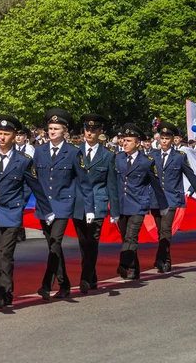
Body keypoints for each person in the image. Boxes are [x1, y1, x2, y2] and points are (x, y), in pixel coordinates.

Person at [0, 116, 54, 309]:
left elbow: (36, 186)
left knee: (6, 253)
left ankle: (0, 293)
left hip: (11, 212)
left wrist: (47, 210)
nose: (2, 137)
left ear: (14, 135)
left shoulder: (23, 161)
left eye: (6, 134)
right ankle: (7, 292)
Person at [34, 108, 94, 300]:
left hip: (62, 205)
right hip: (44, 206)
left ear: (65, 131)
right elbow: (32, 179)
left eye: (56, 129)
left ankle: (46, 284)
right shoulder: (39, 151)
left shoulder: (73, 153)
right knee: (53, 245)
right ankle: (64, 283)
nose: (52, 132)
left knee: (55, 241)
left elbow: (84, 182)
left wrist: (90, 207)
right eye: (50, 128)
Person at [72, 114, 120, 294]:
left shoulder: (107, 156)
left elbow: (112, 185)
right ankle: (91, 276)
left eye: (93, 130)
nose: (89, 133)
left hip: (98, 204)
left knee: (92, 242)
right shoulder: (75, 152)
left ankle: (85, 277)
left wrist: (114, 210)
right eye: (87, 129)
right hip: (79, 203)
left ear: (100, 132)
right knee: (83, 242)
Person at [149, 121, 196, 272]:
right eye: (162, 138)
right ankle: (165, 259)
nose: (164, 141)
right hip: (156, 199)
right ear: (159, 139)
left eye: (167, 138)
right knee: (160, 231)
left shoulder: (179, 157)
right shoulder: (152, 156)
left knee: (166, 229)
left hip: (172, 198)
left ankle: (162, 259)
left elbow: (191, 176)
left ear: (172, 140)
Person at [115, 123, 169, 280]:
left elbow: (156, 184)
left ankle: (124, 265)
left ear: (137, 143)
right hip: (121, 204)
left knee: (131, 237)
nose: (124, 143)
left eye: (128, 140)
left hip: (138, 204)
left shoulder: (147, 161)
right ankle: (135, 268)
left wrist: (163, 205)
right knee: (126, 237)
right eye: (123, 140)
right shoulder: (117, 158)